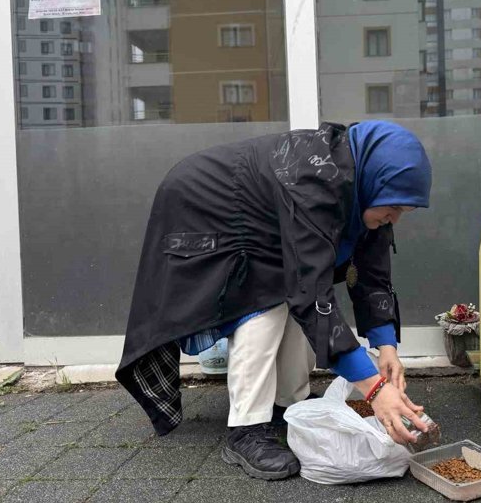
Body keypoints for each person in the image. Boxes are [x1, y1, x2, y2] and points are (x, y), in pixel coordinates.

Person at [116, 121, 433, 480]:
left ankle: (289, 402)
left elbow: (371, 274)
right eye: (392, 207)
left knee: (295, 296)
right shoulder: (314, 182)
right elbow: (312, 295)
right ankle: (246, 428)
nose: (394, 218)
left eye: (403, 212)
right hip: (206, 205)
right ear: (375, 181)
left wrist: (386, 347)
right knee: (259, 308)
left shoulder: (368, 184)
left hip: (264, 212)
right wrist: (374, 388)